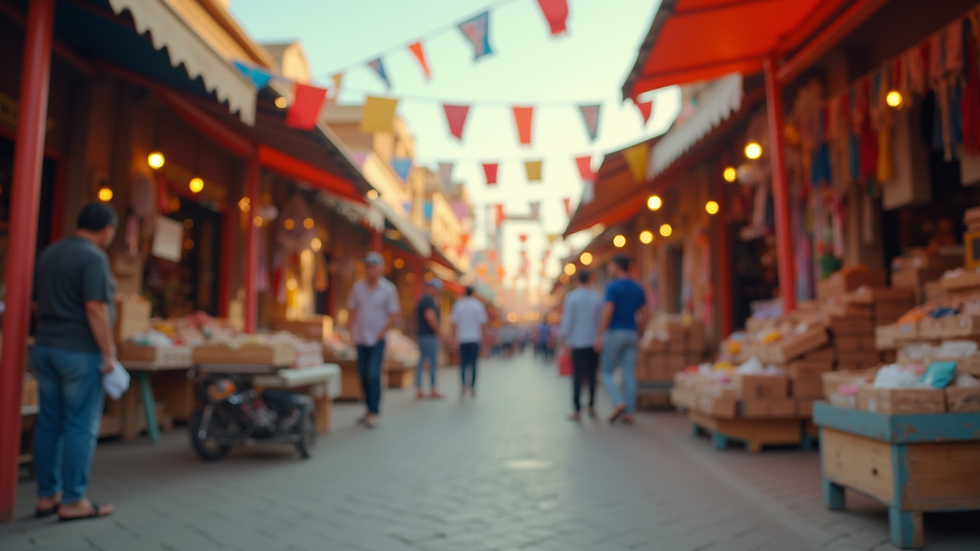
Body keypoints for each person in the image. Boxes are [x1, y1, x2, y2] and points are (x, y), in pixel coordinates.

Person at [32, 203, 119, 521]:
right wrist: (108, 353)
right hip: (79, 352)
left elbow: (35, 303)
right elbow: (95, 308)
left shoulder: (50, 252)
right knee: (80, 426)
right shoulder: (94, 257)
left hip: (44, 347)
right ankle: (73, 500)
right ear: (107, 228)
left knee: (49, 423)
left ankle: (46, 496)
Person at [347, 252, 400, 427]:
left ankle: (374, 411)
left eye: (372, 266)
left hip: (377, 339)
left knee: (373, 374)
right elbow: (352, 310)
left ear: (379, 268)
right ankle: (368, 409)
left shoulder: (388, 289)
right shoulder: (358, 288)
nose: (369, 270)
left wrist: (381, 332)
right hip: (360, 337)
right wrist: (350, 331)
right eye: (367, 266)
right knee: (362, 375)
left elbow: (394, 314)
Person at [594, 255, 648, 425]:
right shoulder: (638, 286)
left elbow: (608, 311)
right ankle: (629, 412)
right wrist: (640, 331)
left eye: (610, 264)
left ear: (617, 266)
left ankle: (619, 401)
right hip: (632, 333)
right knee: (629, 373)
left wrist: (599, 334)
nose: (609, 268)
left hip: (615, 332)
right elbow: (646, 313)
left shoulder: (612, 286)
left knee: (606, 372)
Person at [559, 270, 604, 421]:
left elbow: (567, 321)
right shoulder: (597, 297)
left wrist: (564, 341)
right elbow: (601, 321)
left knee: (577, 375)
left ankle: (577, 409)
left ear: (577, 281)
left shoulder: (571, 297)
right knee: (592, 374)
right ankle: (591, 406)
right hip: (594, 341)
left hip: (577, 342)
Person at [450, 286, 488, 396]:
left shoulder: (458, 305)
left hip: (462, 339)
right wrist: (485, 341)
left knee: (462, 363)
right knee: (474, 364)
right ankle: (472, 387)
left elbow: (454, 324)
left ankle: (463, 386)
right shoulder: (479, 306)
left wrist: (453, 339)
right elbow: (482, 325)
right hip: (475, 339)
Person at [415, 279, 445, 400]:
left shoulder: (424, 299)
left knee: (422, 362)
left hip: (422, 335)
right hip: (428, 336)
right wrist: (439, 332)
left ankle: (420, 389)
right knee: (431, 362)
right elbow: (430, 318)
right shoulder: (428, 300)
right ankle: (432, 389)